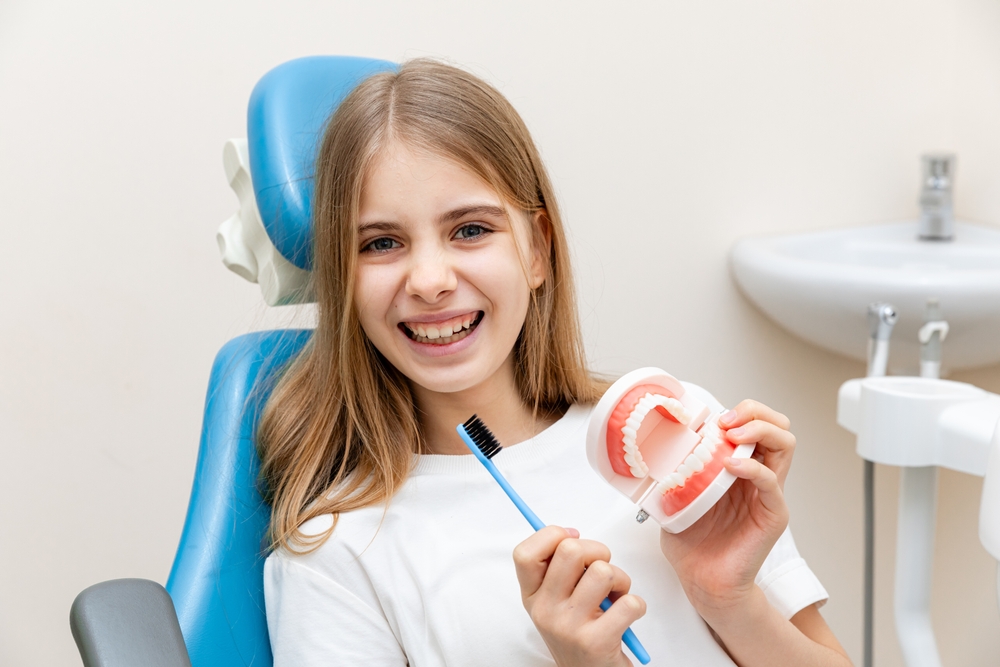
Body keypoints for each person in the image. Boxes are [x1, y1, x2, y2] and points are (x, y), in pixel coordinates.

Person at [259, 58, 852, 666]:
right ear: (341, 280)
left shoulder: (674, 429)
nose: (431, 280)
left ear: (538, 250)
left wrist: (729, 597)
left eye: (469, 230)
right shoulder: (335, 557)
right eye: (381, 243)